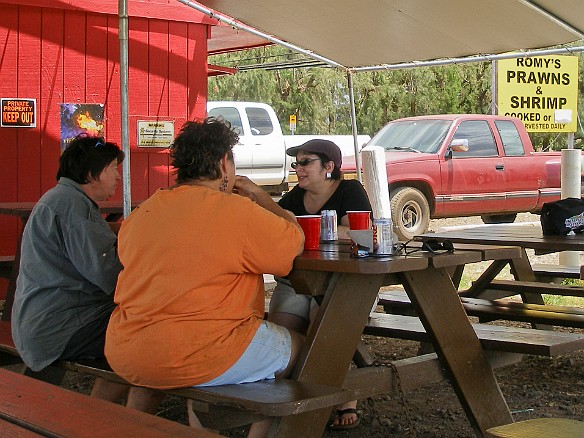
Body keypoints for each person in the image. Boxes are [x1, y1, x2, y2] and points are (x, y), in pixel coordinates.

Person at [104, 117, 305, 437]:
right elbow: (291, 247)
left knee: (156, 369)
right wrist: (267, 201)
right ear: (224, 163)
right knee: (305, 349)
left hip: (129, 350)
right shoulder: (237, 211)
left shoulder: (143, 212)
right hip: (203, 352)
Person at [11, 135, 162, 412]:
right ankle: (112, 420)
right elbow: (111, 275)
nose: (118, 176)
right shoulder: (73, 206)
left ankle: (100, 414)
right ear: (93, 174)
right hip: (60, 325)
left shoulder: (60, 198)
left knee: (131, 338)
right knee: (147, 335)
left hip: (40, 319)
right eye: (113, 169)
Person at [268, 138, 372, 431]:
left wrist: (319, 230)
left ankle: (344, 397)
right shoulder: (292, 198)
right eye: (296, 163)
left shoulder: (350, 190)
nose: (298, 169)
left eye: (305, 162)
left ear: (329, 167)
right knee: (281, 335)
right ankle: (296, 398)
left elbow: (364, 235)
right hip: (298, 281)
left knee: (321, 326)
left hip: (345, 283)